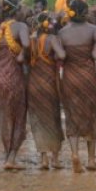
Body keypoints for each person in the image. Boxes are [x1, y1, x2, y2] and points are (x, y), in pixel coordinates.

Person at [55, 0, 96, 172]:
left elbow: (60, 57)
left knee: (72, 114)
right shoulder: (93, 29)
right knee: (91, 115)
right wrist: (95, 51)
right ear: (86, 13)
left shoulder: (62, 33)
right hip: (88, 77)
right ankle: (91, 159)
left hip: (70, 77)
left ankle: (75, 154)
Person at [0, 0, 30, 170]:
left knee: (3, 116)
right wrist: (21, 55)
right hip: (13, 77)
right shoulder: (20, 26)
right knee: (18, 116)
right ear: (16, 10)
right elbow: (27, 44)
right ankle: (11, 157)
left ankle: (8, 155)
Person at [27, 12, 64, 170]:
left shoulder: (31, 41)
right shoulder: (52, 39)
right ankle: (55, 159)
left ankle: (43, 159)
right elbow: (62, 55)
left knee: (38, 121)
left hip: (34, 85)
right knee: (53, 119)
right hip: (49, 84)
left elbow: (22, 59)